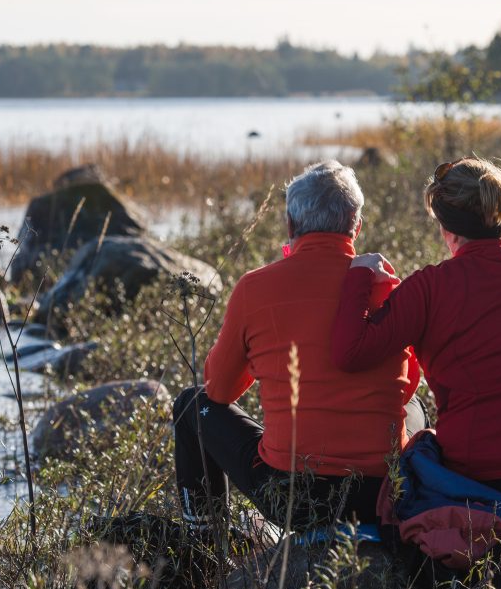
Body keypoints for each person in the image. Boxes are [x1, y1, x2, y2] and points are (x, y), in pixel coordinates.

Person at [330, 157, 501, 519]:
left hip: (483, 480)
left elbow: (351, 352)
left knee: (419, 447)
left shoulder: (429, 288)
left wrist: (360, 275)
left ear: (447, 227)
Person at [173, 160, 426, 535]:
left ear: (290, 226)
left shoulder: (254, 288)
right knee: (415, 406)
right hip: (379, 496)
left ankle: (204, 542)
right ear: (356, 226)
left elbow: (219, 390)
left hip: (293, 499)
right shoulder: (387, 286)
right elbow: (405, 388)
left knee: (192, 405)